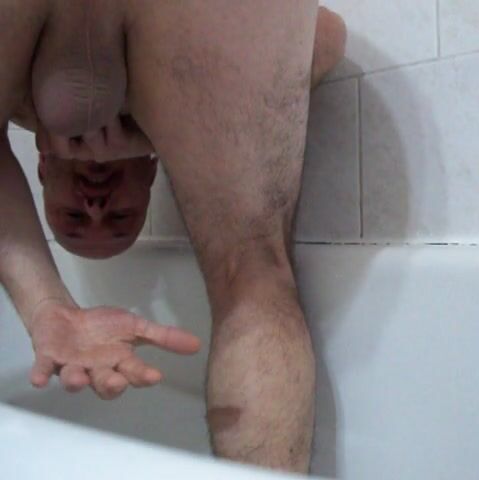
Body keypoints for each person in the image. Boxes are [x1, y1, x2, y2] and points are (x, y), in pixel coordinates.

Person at [0, 0, 346, 474]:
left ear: (41, 168)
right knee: (252, 275)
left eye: (74, 218)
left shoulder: (22, 92)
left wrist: (43, 304)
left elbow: (318, 32)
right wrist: (163, 131)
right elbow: (322, 33)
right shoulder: (173, 94)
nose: (96, 205)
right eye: (119, 217)